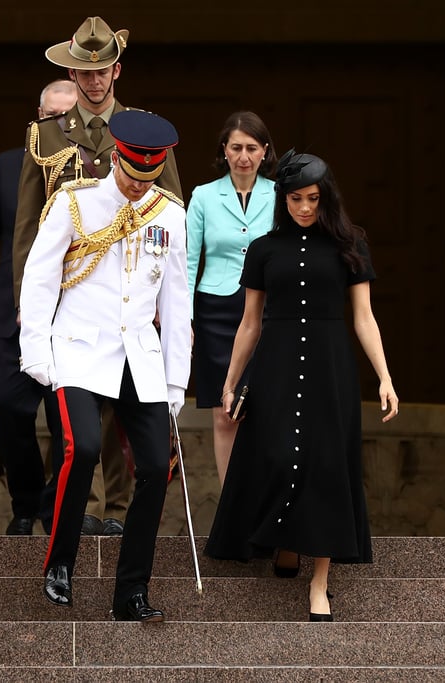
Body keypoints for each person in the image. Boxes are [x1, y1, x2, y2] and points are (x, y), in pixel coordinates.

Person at [204, 151, 400, 622]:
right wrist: (230, 381)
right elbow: (250, 324)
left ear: (326, 197)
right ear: (282, 198)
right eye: (296, 199)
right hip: (276, 364)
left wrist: (385, 377)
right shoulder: (264, 249)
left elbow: (364, 317)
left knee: (326, 465)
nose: (305, 208)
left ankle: (319, 582)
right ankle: (285, 543)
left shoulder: (352, 243)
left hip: (331, 368)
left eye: (313, 198)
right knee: (274, 455)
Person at [14, 15, 182, 537]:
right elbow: (28, 222)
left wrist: (157, 293)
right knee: (74, 418)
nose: (93, 81)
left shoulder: (143, 130)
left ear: (116, 71)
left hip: (129, 291)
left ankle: (114, 506)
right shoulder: (45, 134)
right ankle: (80, 506)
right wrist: (28, 298)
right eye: (83, 73)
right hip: (68, 294)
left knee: (121, 413)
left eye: (101, 70)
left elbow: (169, 209)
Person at [19, 109, 190, 621]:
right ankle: (60, 563)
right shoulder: (75, 203)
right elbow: (39, 277)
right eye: (132, 177)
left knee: (157, 467)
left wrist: (177, 376)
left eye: (148, 179)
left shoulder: (169, 214)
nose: (139, 188)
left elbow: (176, 301)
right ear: (116, 159)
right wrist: (37, 351)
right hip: (77, 348)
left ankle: (132, 589)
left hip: (140, 355)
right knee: (83, 447)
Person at [0, 80, 77, 535]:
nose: (58, 127)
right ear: (37, 116)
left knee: (67, 418)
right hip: (12, 312)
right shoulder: (10, 165)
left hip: (72, 316)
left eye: (68, 121)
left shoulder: (95, 169)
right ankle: (27, 503)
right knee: (9, 410)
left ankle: (56, 507)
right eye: (51, 118)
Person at [186, 111, 278, 486]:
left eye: (251, 148)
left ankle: (262, 503)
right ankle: (230, 509)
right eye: (236, 147)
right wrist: (184, 320)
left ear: (264, 151)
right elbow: (189, 261)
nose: (243, 156)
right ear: (224, 150)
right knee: (225, 412)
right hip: (216, 311)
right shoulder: (204, 196)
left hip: (267, 309)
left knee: (265, 407)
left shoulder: (281, 194)